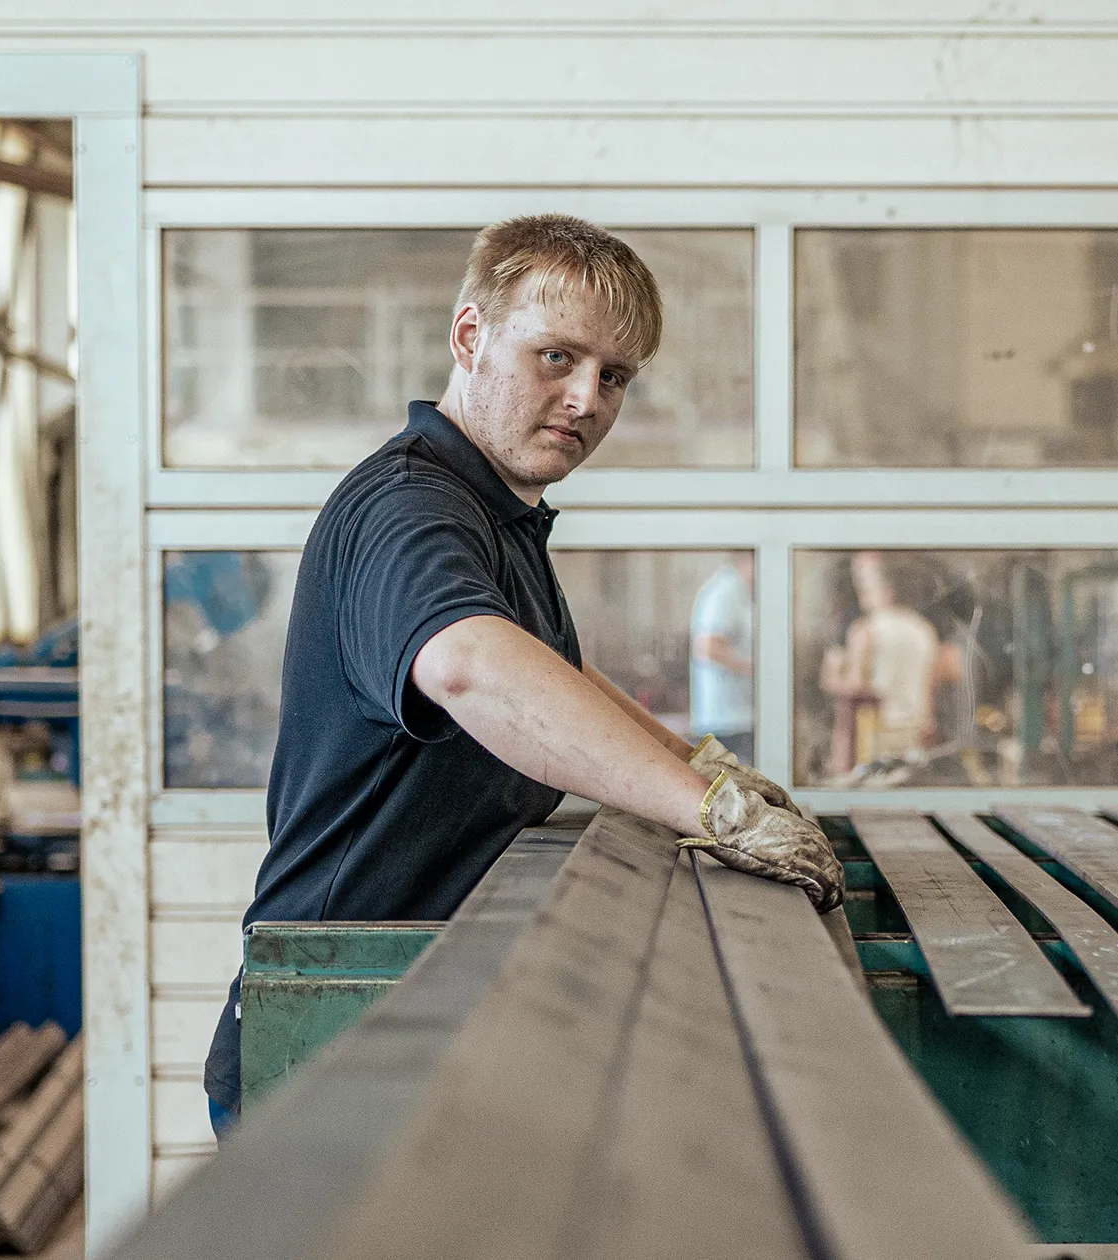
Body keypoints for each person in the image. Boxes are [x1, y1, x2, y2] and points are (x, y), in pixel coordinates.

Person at [204, 216, 839, 1132]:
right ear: (470, 338)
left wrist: (706, 769)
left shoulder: (494, 515)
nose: (586, 399)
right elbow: (473, 670)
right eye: (557, 358)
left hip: (412, 1000)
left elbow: (557, 676)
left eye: (613, 376)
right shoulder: (408, 509)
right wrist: (709, 814)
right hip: (330, 1017)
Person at [818, 551, 940, 777]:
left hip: (873, 738)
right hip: (912, 735)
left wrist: (832, 673)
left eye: (864, 579)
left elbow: (856, 688)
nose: (859, 586)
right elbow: (929, 691)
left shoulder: (866, 630)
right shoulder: (923, 629)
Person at [689, 555, 756, 762]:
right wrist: (759, 671)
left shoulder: (744, 592)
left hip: (742, 718)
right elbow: (708, 647)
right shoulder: (725, 592)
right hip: (727, 723)